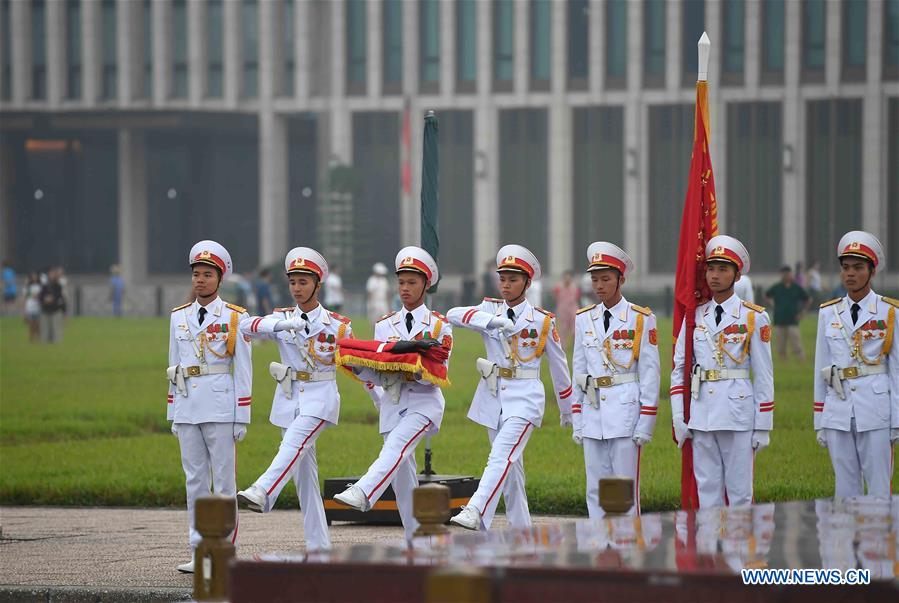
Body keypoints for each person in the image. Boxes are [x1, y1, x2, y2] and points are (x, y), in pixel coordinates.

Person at [236, 248, 358, 552]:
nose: (297, 288)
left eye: (303, 282)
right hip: (289, 398)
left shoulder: (338, 325)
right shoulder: (281, 317)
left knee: (292, 444)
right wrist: (280, 326)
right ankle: (319, 546)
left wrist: (380, 396)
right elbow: (245, 326)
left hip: (321, 397)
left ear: (318, 285)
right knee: (305, 477)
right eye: (292, 282)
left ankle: (264, 490)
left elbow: (354, 364)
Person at [446, 245, 572, 531]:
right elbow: (453, 315)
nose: (505, 284)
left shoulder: (542, 319)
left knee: (501, 454)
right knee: (511, 472)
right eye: (502, 278)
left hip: (525, 396)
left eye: (513, 279)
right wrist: (490, 321)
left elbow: (559, 367)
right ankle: (523, 536)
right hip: (493, 395)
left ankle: (476, 508)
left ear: (527, 283)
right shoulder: (489, 309)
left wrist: (568, 410)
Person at [333, 247, 452, 541]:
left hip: (423, 403)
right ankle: (419, 548)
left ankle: (365, 491)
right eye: (401, 283)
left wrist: (405, 360)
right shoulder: (384, 324)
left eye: (412, 282)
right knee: (403, 483)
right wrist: (359, 367)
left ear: (426, 284)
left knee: (396, 447)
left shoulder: (438, 324)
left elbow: (438, 371)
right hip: (392, 404)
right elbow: (379, 367)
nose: (405, 289)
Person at [670, 235, 774, 508]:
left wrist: (763, 425)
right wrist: (679, 416)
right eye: (711, 269)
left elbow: (764, 375)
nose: (714, 276)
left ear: (737, 276)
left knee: (740, 493)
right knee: (707, 491)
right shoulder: (695, 316)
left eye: (723, 269)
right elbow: (679, 366)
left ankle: (738, 552)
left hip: (737, 414)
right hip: (702, 413)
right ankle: (710, 550)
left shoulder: (753, 317)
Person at [166, 240, 252, 573]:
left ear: (220, 279)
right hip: (188, 406)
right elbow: (173, 366)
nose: (200, 280)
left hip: (220, 407)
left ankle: (225, 549)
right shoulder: (179, 317)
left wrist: (241, 414)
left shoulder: (234, 317)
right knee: (195, 482)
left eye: (207, 274)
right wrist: (172, 411)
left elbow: (243, 370)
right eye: (196, 274)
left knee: (224, 484)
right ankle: (199, 549)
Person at [571, 242, 659, 518]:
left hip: (625, 410)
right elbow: (579, 370)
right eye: (595, 279)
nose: (599, 285)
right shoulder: (585, 319)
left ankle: (626, 548)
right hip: (593, 411)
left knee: (623, 488)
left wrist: (646, 421)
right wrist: (578, 417)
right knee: (595, 487)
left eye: (605, 279)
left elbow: (650, 372)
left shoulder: (641, 319)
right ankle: (599, 547)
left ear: (621, 279)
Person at [813, 231, 897, 499]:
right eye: (846, 268)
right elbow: (822, 368)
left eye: (858, 268)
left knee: (878, 488)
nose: (850, 274)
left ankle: (877, 540)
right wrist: (820, 418)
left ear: (871, 272)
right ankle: (844, 540)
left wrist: (897, 418)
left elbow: (896, 369)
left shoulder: (890, 312)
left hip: (876, 408)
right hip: (838, 407)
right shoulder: (828, 312)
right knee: (845, 489)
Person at [765, 266, 811, 361]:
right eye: (783, 273)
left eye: (787, 273)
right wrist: (772, 303)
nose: (786, 275)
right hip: (779, 320)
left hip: (793, 320)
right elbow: (767, 295)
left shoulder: (796, 287)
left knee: (796, 343)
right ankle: (783, 362)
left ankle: (801, 360)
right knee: (780, 345)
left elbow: (808, 299)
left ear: (791, 274)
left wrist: (803, 312)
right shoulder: (777, 287)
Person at [553, 271, 580, 348]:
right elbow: (556, 297)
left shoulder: (574, 287)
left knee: (575, 329)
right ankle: (563, 347)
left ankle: (576, 346)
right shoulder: (558, 287)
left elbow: (577, 298)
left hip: (573, 310)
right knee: (563, 330)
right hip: (562, 310)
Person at [38, 267, 66, 343]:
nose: (52, 275)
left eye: (53, 274)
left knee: (57, 332)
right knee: (45, 332)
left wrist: (53, 299)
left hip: (55, 311)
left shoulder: (58, 286)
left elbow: (60, 298)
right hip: (45, 311)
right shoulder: (44, 286)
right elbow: (40, 297)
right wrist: (45, 300)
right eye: (50, 274)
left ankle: (56, 347)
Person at [24, 273, 41, 343]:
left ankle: (38, 338)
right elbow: (25, 298)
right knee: (31, 325)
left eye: (35, 276)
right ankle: (31, 339)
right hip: (30, 308)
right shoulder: (28, 287)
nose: (34, 278)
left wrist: (38, 296)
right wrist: (24, 310)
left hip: (38, 307)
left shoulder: (40, 286)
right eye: (33, 277)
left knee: (37, 325)